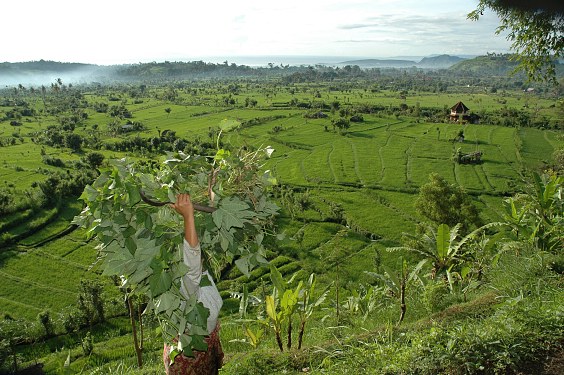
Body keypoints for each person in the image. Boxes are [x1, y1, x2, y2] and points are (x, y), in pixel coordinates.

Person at [163, 193, 224, 375]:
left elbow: (195, 252)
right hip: (190, 360)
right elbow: (192, 261)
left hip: (201, 353)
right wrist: (188, 216)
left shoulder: (198, 275)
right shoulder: (187, 284)